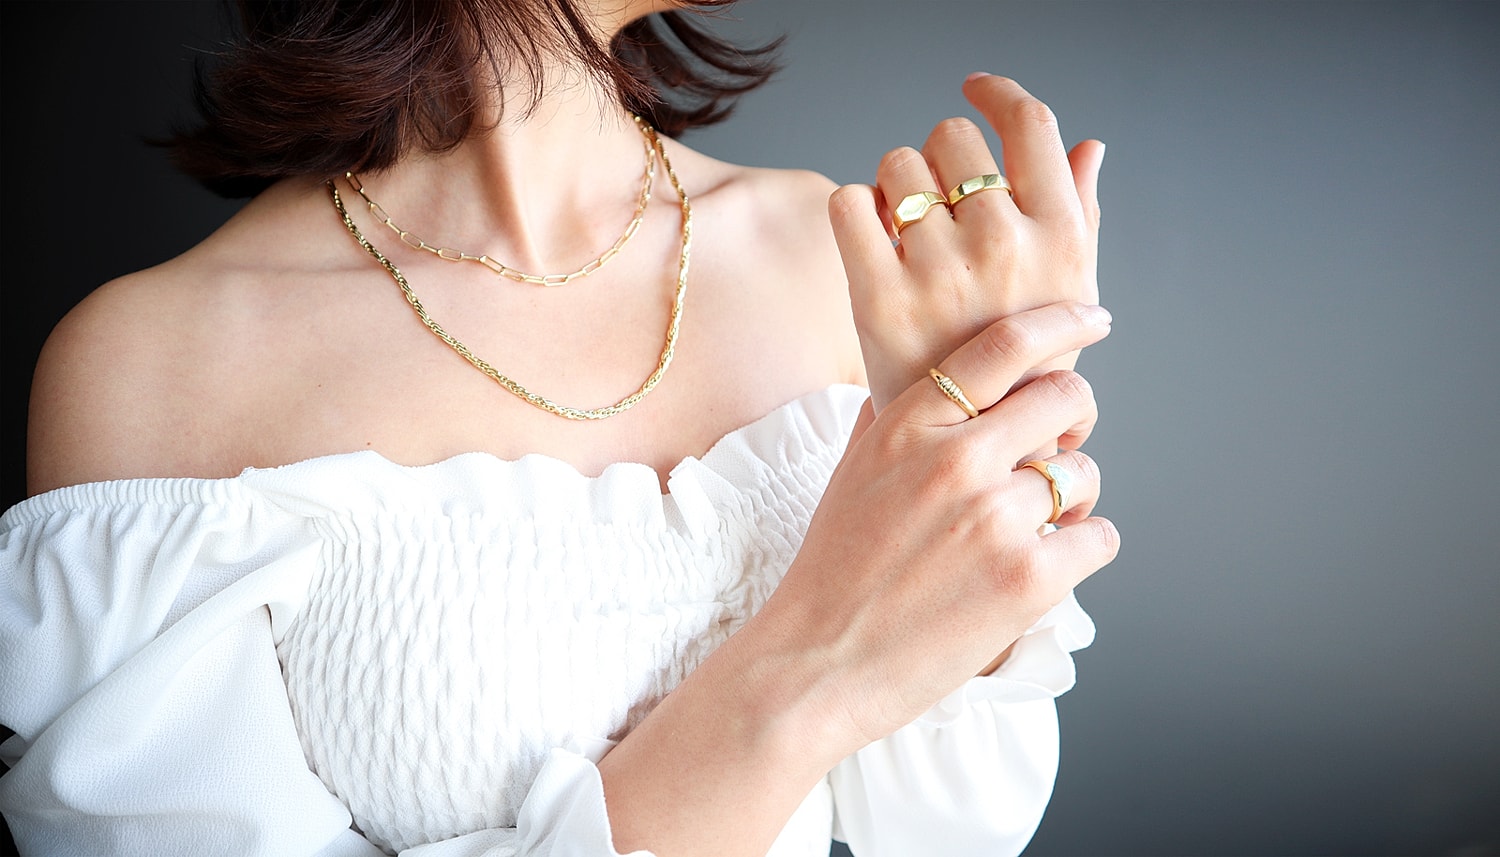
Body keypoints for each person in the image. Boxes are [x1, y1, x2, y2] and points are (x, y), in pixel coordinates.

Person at [0, 1, 1118, 854]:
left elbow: (958, 822)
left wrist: (992, 443)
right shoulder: (158, 367)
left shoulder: (840, 253)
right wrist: (807, 669)